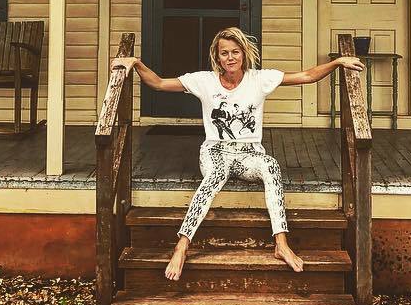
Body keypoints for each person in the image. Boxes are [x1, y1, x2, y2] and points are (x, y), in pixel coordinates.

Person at [112, 27, 363, 281]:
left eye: (235, 52)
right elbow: (158, 83)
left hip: (248, 154)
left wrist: (338, 62)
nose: (230, 57)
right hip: (215, 150)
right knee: (216, 174)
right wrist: (136, 63)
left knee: (271, 166)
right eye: (224, 53)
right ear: (217, 57)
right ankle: (182, 245)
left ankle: (281, 244)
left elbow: (307, 76)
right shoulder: (204, 81)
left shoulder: (259, 79)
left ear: (243, 53)